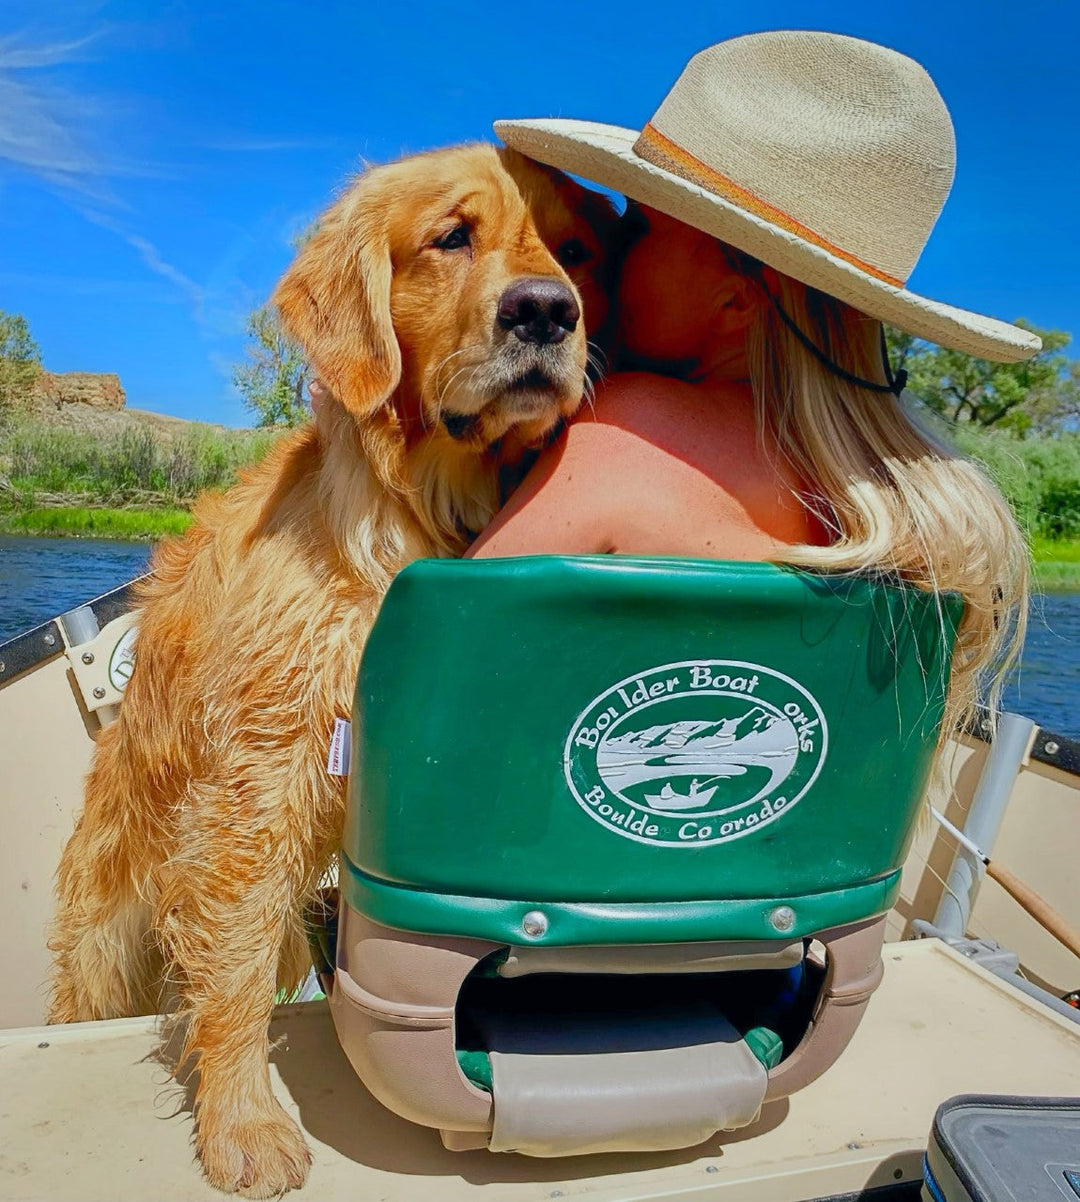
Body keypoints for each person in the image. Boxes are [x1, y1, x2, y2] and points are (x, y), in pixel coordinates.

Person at [470, 30, 1033, 743]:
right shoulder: (915, 519)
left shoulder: (626, 429)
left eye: (639, 230)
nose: (604, 256)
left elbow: (424, 690)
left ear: (735, 300)